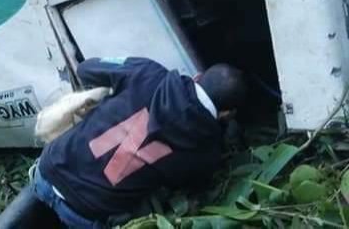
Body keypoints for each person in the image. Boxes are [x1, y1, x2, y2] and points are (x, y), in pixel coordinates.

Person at [33, 57, 247, 228]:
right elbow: (183, 189)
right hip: (84, 215)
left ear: (198, 77)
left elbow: (86, 69)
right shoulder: (205, 154)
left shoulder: (147, 72)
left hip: (46, 171)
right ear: (227, 114)